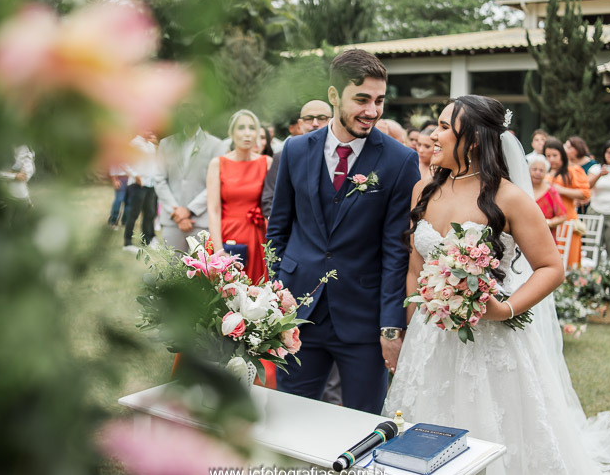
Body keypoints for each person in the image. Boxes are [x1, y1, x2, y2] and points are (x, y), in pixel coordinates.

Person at [384, 96, 610, 475]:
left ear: (476, 140)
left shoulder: (509, 196)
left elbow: (551, 266)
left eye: (445, 127)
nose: (433, 135)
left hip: (490, 339)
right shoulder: (422, 189)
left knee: (496, 431)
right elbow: (415, 266)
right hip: (430, 336)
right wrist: (411, 329)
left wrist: (505, 308)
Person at [267, 49, 420, 414]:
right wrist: (275, 300)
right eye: (362, 99)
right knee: (290, 416)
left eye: (379, 100)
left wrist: (390, 328)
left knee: (364, 424)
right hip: (298, 312)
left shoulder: (400, 161)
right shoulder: (294, 150)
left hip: (364, 320)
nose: (372, 111)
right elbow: (278, 230)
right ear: (335, 95)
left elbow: (396, 250)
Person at [207, 109, 273, 285]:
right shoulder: (217, 164)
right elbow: (213, 210)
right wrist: (219, 249)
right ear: (231, 132)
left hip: (258, 238)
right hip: (227, 235)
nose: (247, 133)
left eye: (251, 128)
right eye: (241, 127)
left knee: (257, 291)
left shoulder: (266, 163)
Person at [154, 119, 226, 253]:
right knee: (171, 271)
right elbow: (159, 180)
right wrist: (176, 212)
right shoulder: (166, 143)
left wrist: (190, 210)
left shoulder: (216, 145)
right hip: (172, 221)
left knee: (201, 271)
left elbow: (217, 182)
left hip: (201, 221)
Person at [544, 138, 590, 266]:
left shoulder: (571, 171)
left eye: (555, 155)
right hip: (547, 222)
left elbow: (585, 193)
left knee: (569, 263)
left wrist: (561, 190)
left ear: (562, 155)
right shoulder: (543, 172)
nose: (551, 159)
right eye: (548, 156)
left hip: (567, 221)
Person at [123, 132, 158, 252]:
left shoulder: (151, 145)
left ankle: (146, 241)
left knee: (150, 213)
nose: (150, 131)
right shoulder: (135, 143)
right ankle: (127, 243)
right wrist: (135, 175)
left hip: (150, 184)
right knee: (134, 213)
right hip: (138, 184)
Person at [530, 154, 567, 241]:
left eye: (541, 170)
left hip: (545, 237)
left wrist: (547, 223)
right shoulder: (523, 190)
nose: (537, 173)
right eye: (534, 169)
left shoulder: (551, 192)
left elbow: (562, 216)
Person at [565, 136, 598, 214]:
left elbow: (592, 186)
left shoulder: (593, 165)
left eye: (569, 148)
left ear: (577, 149)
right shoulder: (564, 165)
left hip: (587, 205)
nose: (565, 151)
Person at [107, 164, 129, 230]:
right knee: (119, 200)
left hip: (132, 178)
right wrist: (114, 180)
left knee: (129, 201)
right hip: (121, 178)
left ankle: (125, 222)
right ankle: (113, 221)